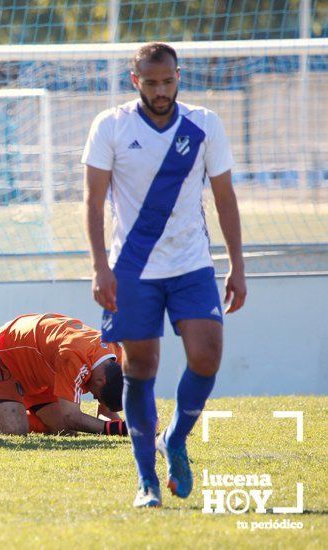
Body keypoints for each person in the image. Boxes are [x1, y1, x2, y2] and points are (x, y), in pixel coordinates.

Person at [82, 42, 246, 508]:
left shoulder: (204, 123)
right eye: (151, 82)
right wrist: (100, 268)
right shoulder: (110, 125)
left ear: (178, 76)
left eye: (168, 81)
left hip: (192, 263)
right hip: (131, 268)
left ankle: (174, 437)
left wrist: (237, 264)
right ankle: (146, 481)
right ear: (135, 81)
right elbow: (93, 202)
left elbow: (226, 198)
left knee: (207, 355)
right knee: (141, 368)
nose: (160, 90)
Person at [0, 313, 126, 438]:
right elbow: (71, 416)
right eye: (96, 395)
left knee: (63, 431)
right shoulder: (75, 356)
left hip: (36, 370)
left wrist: (139, 425)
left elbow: (106, 412)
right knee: (14, 429)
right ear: (101, 380)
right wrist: (119, 429)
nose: (92, 396)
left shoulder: (114, 356)